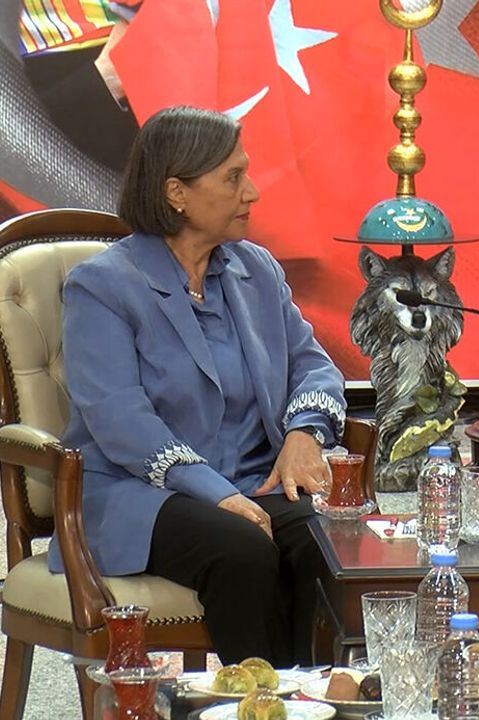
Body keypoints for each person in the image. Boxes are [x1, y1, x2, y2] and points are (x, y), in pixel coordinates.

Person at [48, 105, 347, 666]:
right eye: (233, 177)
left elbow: (314, 366)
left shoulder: (256, 270)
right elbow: (121, 421)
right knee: (241, 548)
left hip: (252, 482)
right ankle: (255, 699)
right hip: (138, 496)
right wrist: (218, 493)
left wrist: (304, 433)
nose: (252, 192)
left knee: (326, 538)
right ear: (176, 193)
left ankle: (309, 693)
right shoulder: (102, 287)